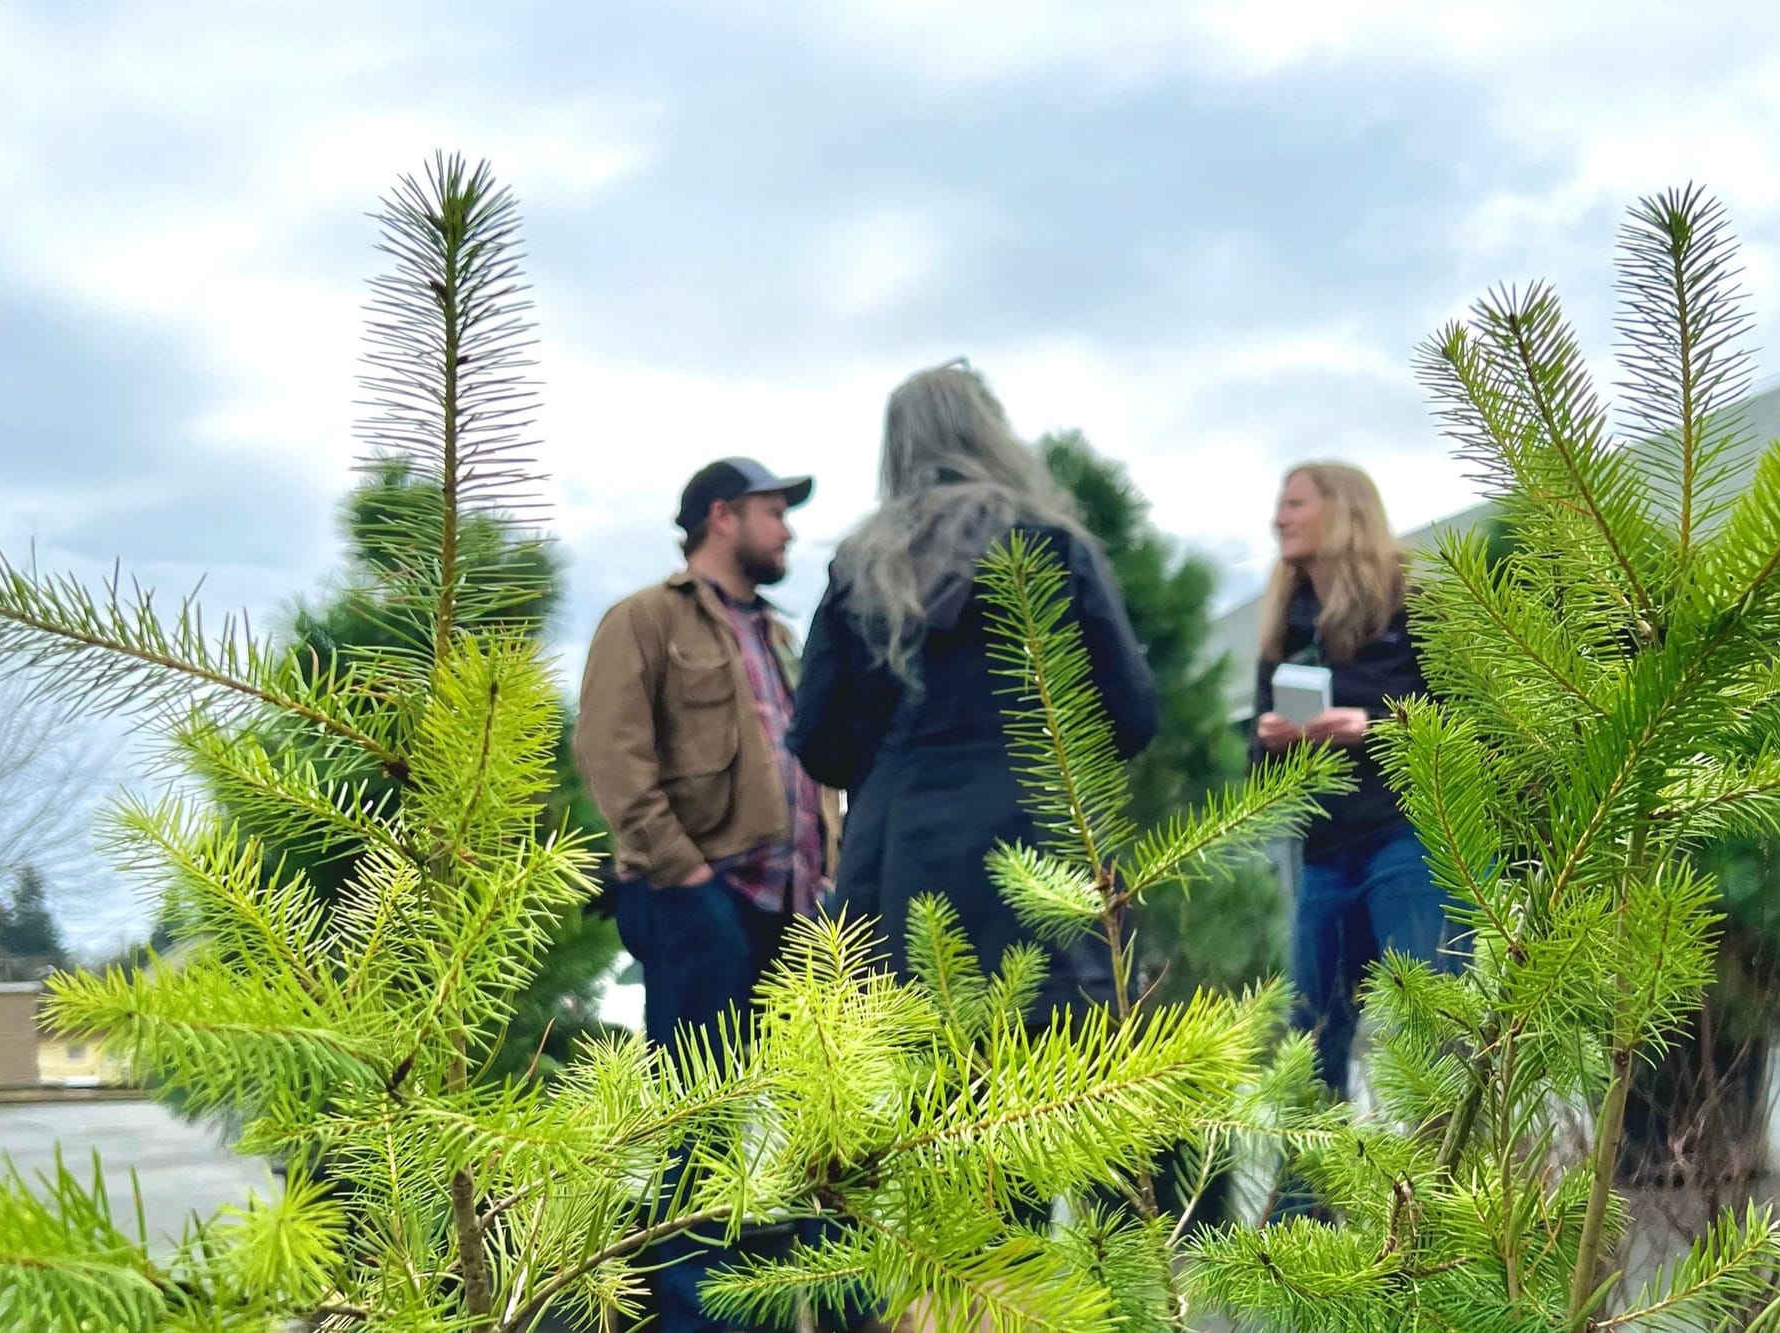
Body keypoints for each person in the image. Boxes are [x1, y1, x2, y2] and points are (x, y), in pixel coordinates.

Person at [786, 360, 1158, 1034]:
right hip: (1041, 847)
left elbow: (817, 737)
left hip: (895, 862)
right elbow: (1129, 715)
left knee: (908, 1095)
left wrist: (887, 758)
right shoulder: (1052, 545)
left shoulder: (858, 566)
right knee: (1067, 1089)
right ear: (991, 434)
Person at [575, 456, 856, 1333]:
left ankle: (826, 1305)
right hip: (705, 905)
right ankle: (704, 1321)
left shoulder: (778, 634)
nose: (791, 530)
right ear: (723, 516)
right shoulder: (645, 619)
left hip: (800, 912)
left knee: (826, 1122)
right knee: (701, 1132)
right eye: (777, 512)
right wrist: (683, 872)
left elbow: (811, 765)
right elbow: (611, 753)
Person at [1248, 462, 1460, 1108]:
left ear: (1341, 509)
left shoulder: (1414, 604)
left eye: (1294, 503)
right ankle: (1300, 1209)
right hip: (1325, 855)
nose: (1278, 517)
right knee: (1309, 1045)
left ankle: (1453, 1194)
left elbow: (1464, 718)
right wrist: (1274, 743)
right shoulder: (1286, 627)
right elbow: (1259, 775)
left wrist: (1373, 726)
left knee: (1434, 1032)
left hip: (1408, 840)